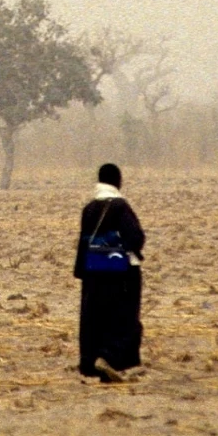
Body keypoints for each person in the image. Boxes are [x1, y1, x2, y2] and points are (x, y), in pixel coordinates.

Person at [73, 162, 145, 382]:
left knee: (96, 318)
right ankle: (110, 358)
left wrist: (82, 271)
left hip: (93, 270)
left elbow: (84, 242)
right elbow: (136, 238)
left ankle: (93, 363)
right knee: (125, 318)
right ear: (118, 181)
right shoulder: (121, 206)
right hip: (121, 272)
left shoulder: (89, 208)